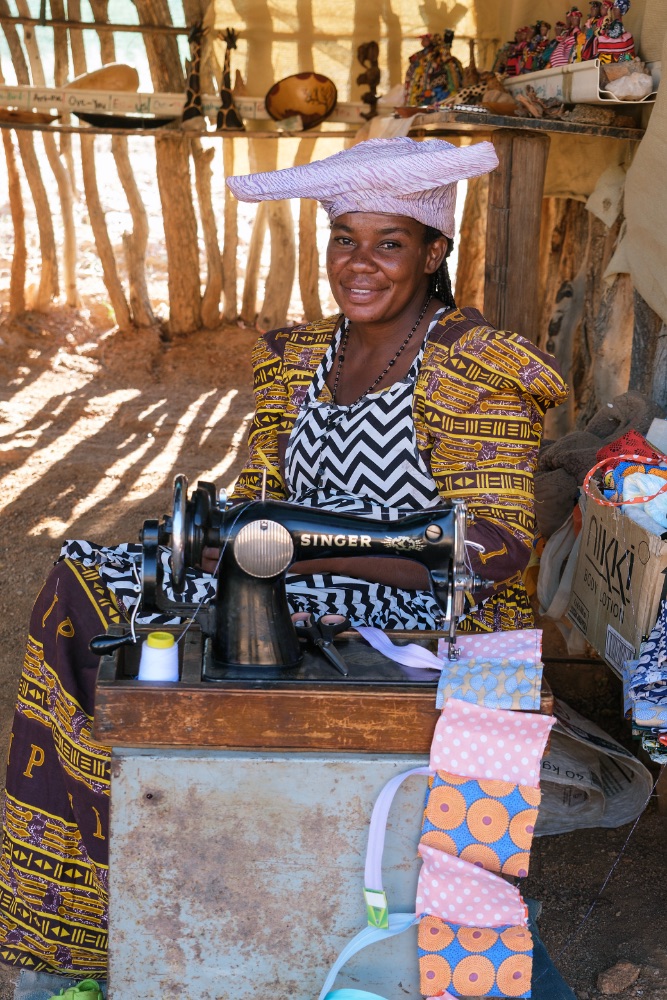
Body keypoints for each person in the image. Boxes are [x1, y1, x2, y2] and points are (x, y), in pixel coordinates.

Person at [0, 136, 567, 992]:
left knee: (109, 600)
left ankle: (107, 897)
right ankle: (98, 892)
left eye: (388, 243)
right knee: (84, 584)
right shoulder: (301, 358)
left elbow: (494, 546)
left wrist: (310, 549)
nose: (359, 264)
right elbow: (264, 496)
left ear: (433, 253)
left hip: (424, 611)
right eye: (344, 239)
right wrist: (231, 540)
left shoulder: (469, 364)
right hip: (296, 585)